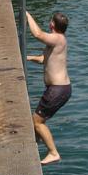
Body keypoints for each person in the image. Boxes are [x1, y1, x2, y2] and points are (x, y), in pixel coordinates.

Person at [26, 11, 71, 165]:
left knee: (37, 121)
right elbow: (45, 59)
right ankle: (35, 142)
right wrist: (28, 58)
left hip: (57, 90)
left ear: (52, 24)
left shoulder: (57, 38)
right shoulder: (59, 41)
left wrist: (27, 15)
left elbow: (37, 34)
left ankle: (53, 153)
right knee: (36, 119)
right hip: (59, 90)